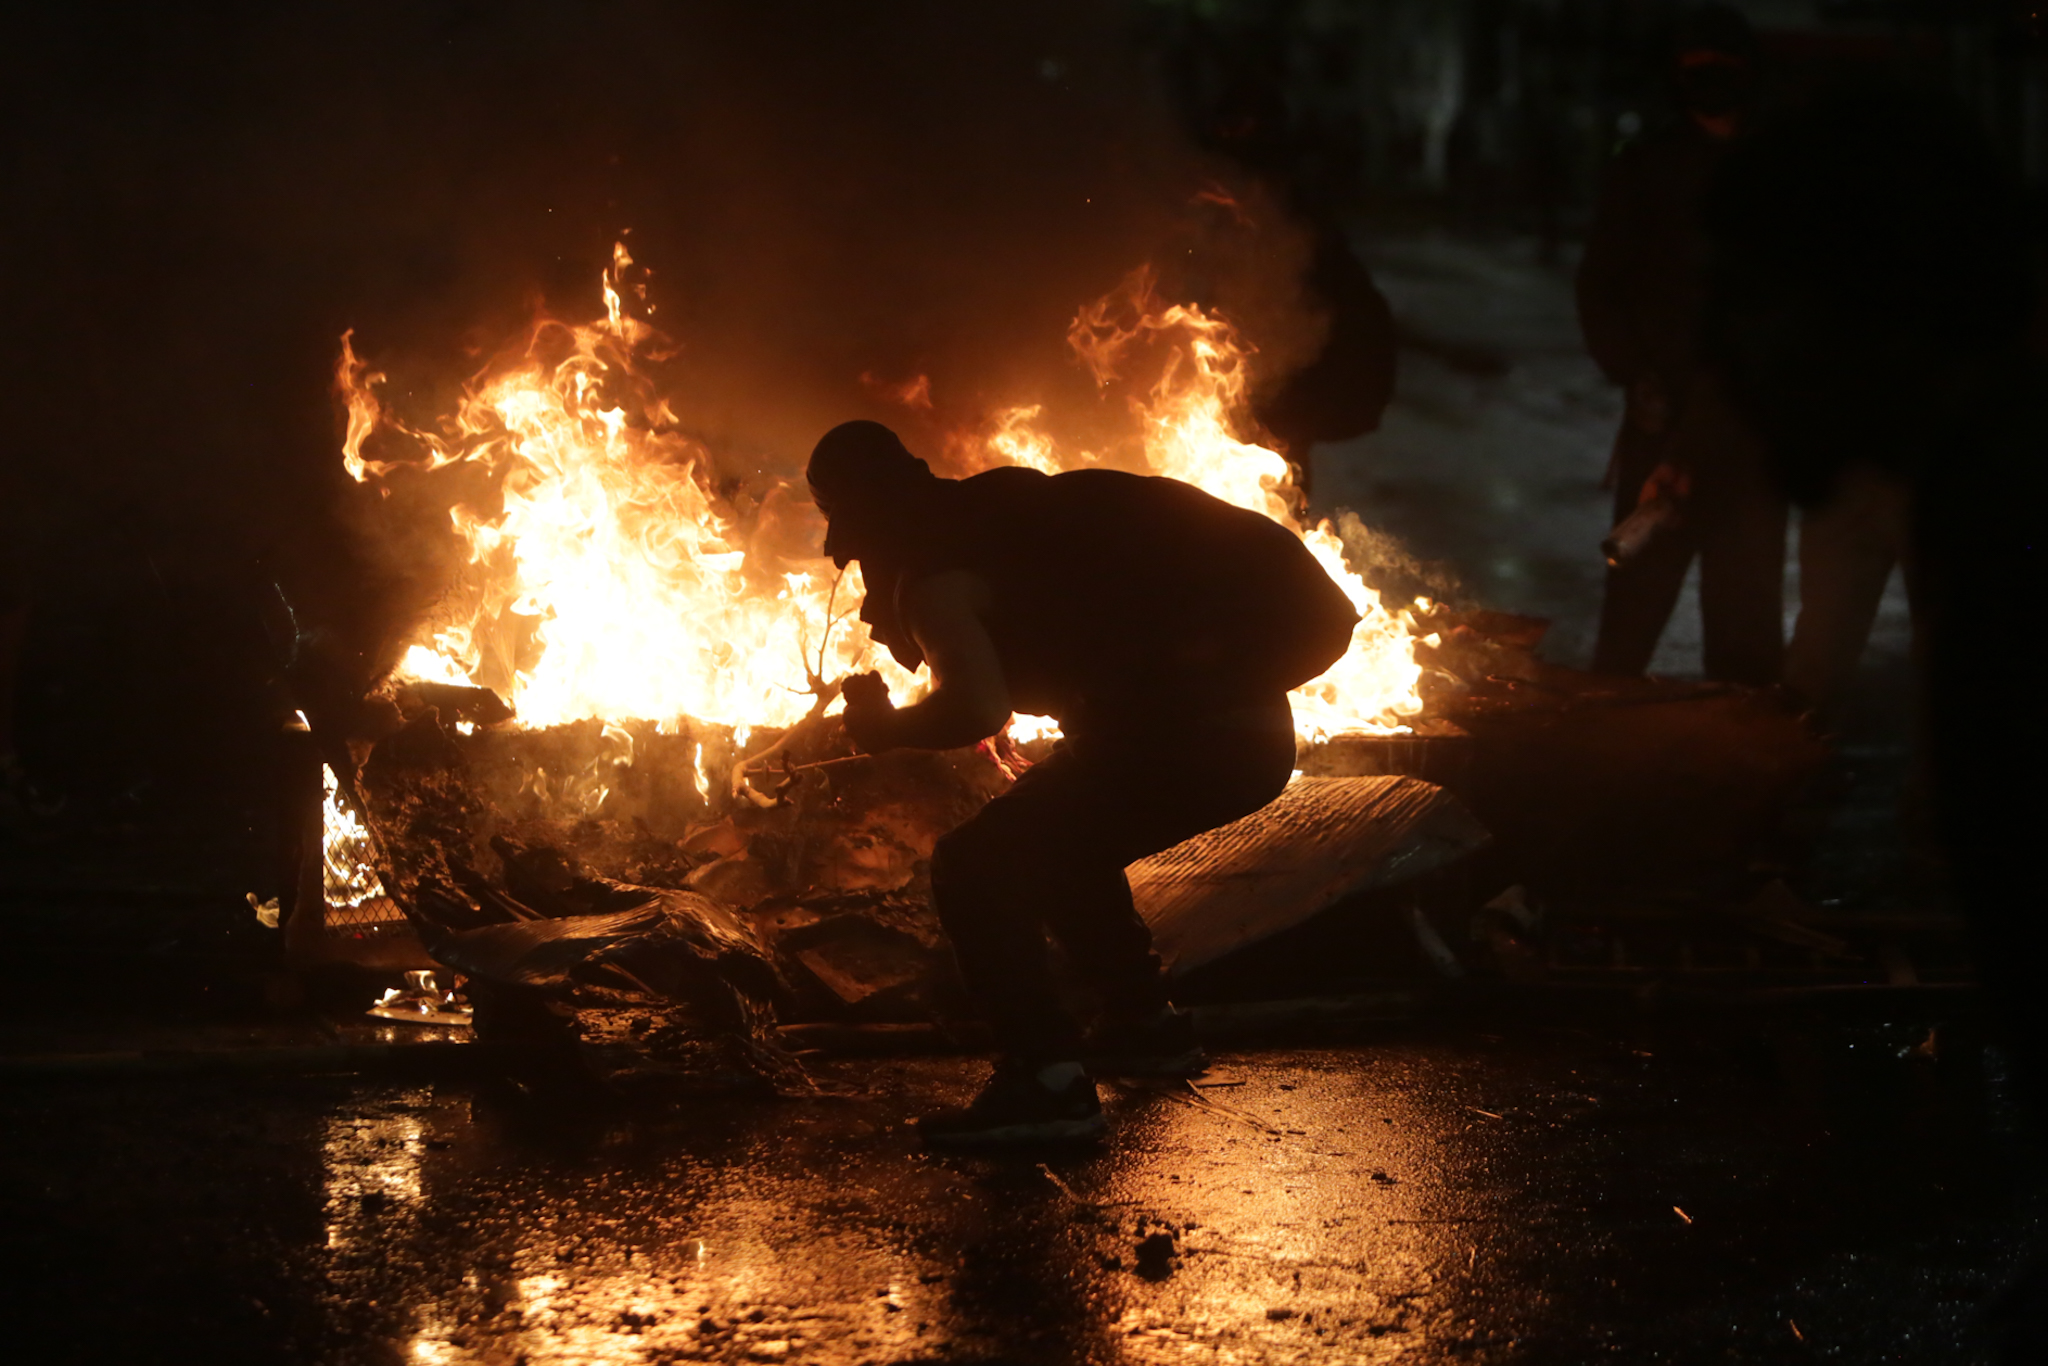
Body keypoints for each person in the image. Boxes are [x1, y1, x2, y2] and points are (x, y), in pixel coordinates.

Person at [1703, 87, 2044, 1360]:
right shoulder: (1977, 486)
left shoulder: (2018, 511)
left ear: (1877, 307)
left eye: (1747, 297)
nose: (1717, 343)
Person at [808, 420, 1358, 1145]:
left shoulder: (935, 572)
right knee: (1061, 838)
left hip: (1193, 737)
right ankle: (1144, 1029)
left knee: (976, 861)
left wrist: (888, 730)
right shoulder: (1003, 512)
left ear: (856, 519)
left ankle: (1047, 1082)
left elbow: (976, 705)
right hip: (1250, 737)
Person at [1577, 4, 1785, 685]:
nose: (1706, 81)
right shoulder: (1647, 168)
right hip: (1661, 417)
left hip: (1751, 431)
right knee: (1635, 605)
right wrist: (1635, 375)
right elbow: (1600, 287)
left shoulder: (1774, 168)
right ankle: (1600, 753)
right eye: (1693, 69)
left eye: (1720, 69)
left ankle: (1739, 765)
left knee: (1746, 618)